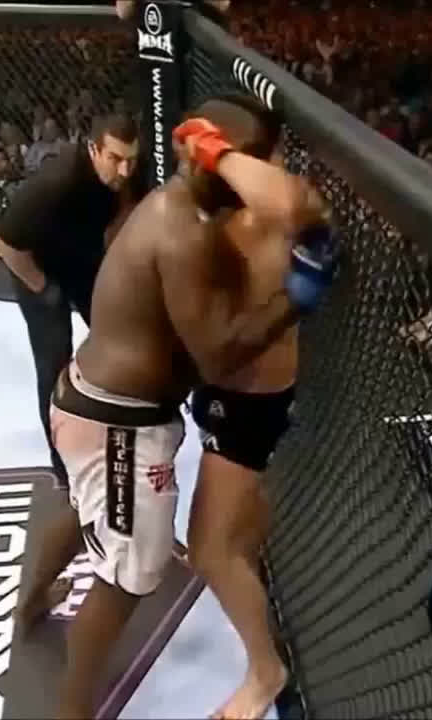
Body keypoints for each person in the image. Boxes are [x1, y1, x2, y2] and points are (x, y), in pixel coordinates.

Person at [14, 95, 339, 719]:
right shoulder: (181, 226)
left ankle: (30, 604)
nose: (262, 177)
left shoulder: (180, 207)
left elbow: (292, 202)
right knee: (128, 576)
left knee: (90, 514)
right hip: (116, 422)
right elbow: (216, 357)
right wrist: (297, 298)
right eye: (250, 163)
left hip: (101, 406)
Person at [186, 178, 301, 719]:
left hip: (245, 398)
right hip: (250, 394)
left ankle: (265, 671)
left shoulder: (253, 227)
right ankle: (250, 581)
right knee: (246, 508)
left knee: (208, 550)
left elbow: (219, 338)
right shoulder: (273, 218)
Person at [0, 114, 142, 488]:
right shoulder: (57, 180)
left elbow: (130, 206)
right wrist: (42, 287)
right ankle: (62, 462)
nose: (124, 170)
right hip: (38, 265)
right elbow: (5, 241)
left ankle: (124, 422)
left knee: (119, 334)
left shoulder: (129, 171)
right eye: (115, 159)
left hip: (82, 257)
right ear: (93, 150)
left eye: (131, 160)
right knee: (54, 360)